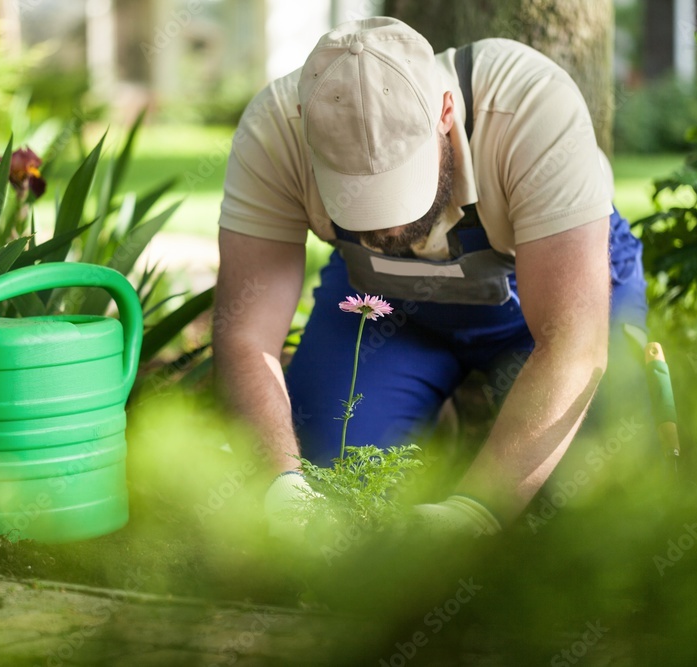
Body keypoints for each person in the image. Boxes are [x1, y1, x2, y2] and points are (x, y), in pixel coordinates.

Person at [212, 17, 648, 539]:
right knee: (336, 479)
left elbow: (573, 343)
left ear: (445, 112)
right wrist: (280, 484)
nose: (386, 222)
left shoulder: (531, 102)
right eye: (357, 191)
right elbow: (246, 334)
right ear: (304, 123)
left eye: (399, 183)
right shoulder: (273, 128)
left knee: (591, 494)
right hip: (386, 310)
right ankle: (430, 423)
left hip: (543, 302)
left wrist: (475, 513)